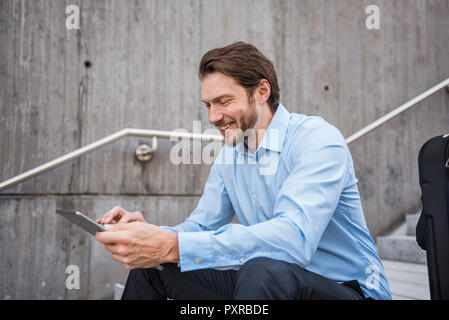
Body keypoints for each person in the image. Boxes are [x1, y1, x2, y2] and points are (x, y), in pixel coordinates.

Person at [95, 41, 392, 300]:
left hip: (349, 289)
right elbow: (200, 227)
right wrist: (150, 235)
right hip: (268, 284)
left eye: (224, 101)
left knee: (262, 270)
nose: (213, 116)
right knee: (155, 269)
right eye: (208, 105)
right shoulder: (231, 156)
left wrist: (173, 245)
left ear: (261, 91)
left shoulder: (317, 140)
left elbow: (294, 239)